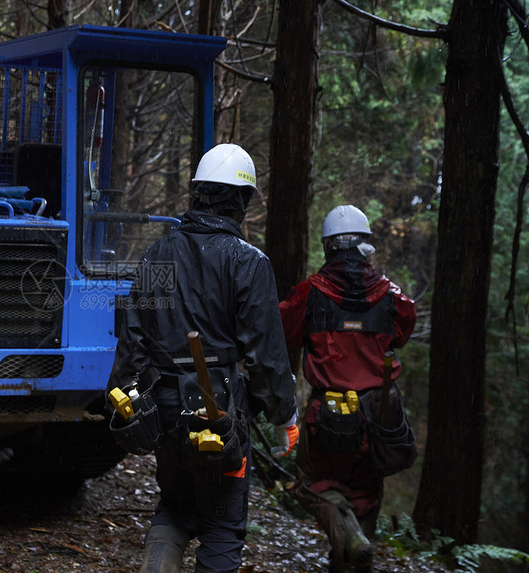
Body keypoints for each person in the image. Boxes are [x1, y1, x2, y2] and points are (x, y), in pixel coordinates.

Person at [107, 143, 298, 573]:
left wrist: (120, 400)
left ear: (199, 194)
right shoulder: (248, 263)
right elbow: (266, 356)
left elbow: (133, 340)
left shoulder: (158, 255)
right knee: (222, 525)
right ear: (241, 201)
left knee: (175, 507)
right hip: (219, 413)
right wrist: (285, 416)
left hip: (164, 411)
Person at [279, 205, 417, 573]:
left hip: (327, 415)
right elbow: (404, 328)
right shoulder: (392, 296)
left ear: (329, 247)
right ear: (364, 247)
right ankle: (357, 554)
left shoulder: (310, 293)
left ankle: (345, 529)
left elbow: (285, 328)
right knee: (367, 495)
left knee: (315, 485)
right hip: (377, 416)